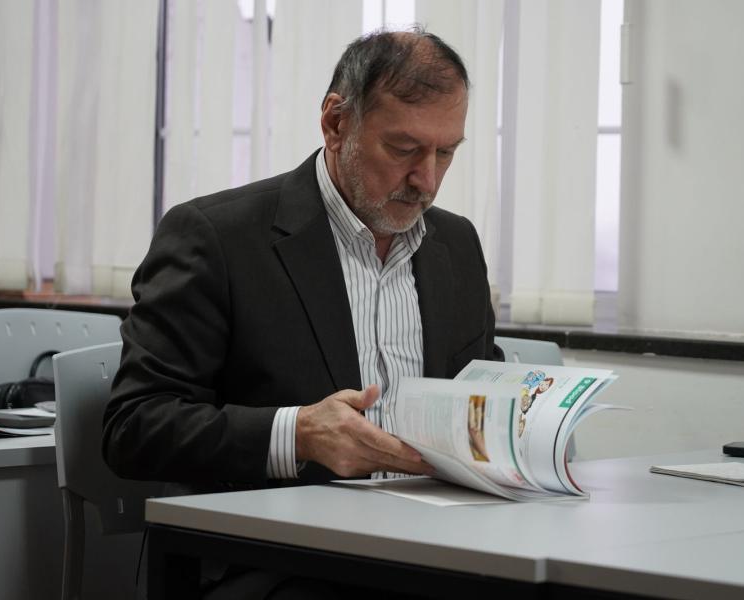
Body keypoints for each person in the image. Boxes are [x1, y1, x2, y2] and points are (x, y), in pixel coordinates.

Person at [103, 27, 501, 497]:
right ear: (336, 124)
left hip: (439, 530)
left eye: (446, 152)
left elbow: (482, 400)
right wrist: (298, 435)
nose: (427, 181)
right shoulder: (216, 238)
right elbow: (134, 427)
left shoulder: (456, 243)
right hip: (275, 537)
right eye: (404, 149)